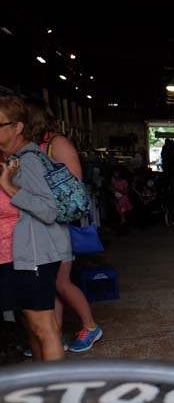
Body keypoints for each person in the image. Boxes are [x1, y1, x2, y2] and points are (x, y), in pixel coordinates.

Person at [26, 99, 103, 353]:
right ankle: (53, 335)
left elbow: (74, 193)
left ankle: (90, 326)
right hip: (36, 224)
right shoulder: (33, 146)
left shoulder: (56, 144)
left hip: (55, 224)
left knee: (61, 282)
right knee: (50, 285)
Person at [0, 95, 69, 361]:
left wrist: (9, 187)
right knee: (34, 329)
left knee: (44, 329)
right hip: (19, 256)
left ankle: (57, 393)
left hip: (34, 256)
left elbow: (48, 210)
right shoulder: (13, 158)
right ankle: (44, 387)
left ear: (17, 127)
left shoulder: (28, 161)